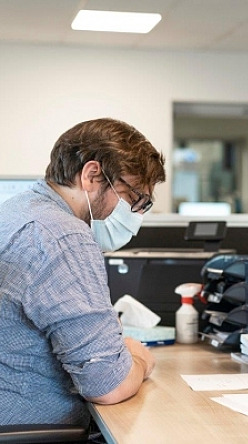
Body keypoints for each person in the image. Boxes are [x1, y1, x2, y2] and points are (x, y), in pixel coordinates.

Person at [0, 118, 165, 429]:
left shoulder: (16, 210)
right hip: (37, 430)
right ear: (92, 175)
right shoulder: (64, 236)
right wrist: (139, 359)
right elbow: (107, 386)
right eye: (132, 197)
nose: (131, 211)